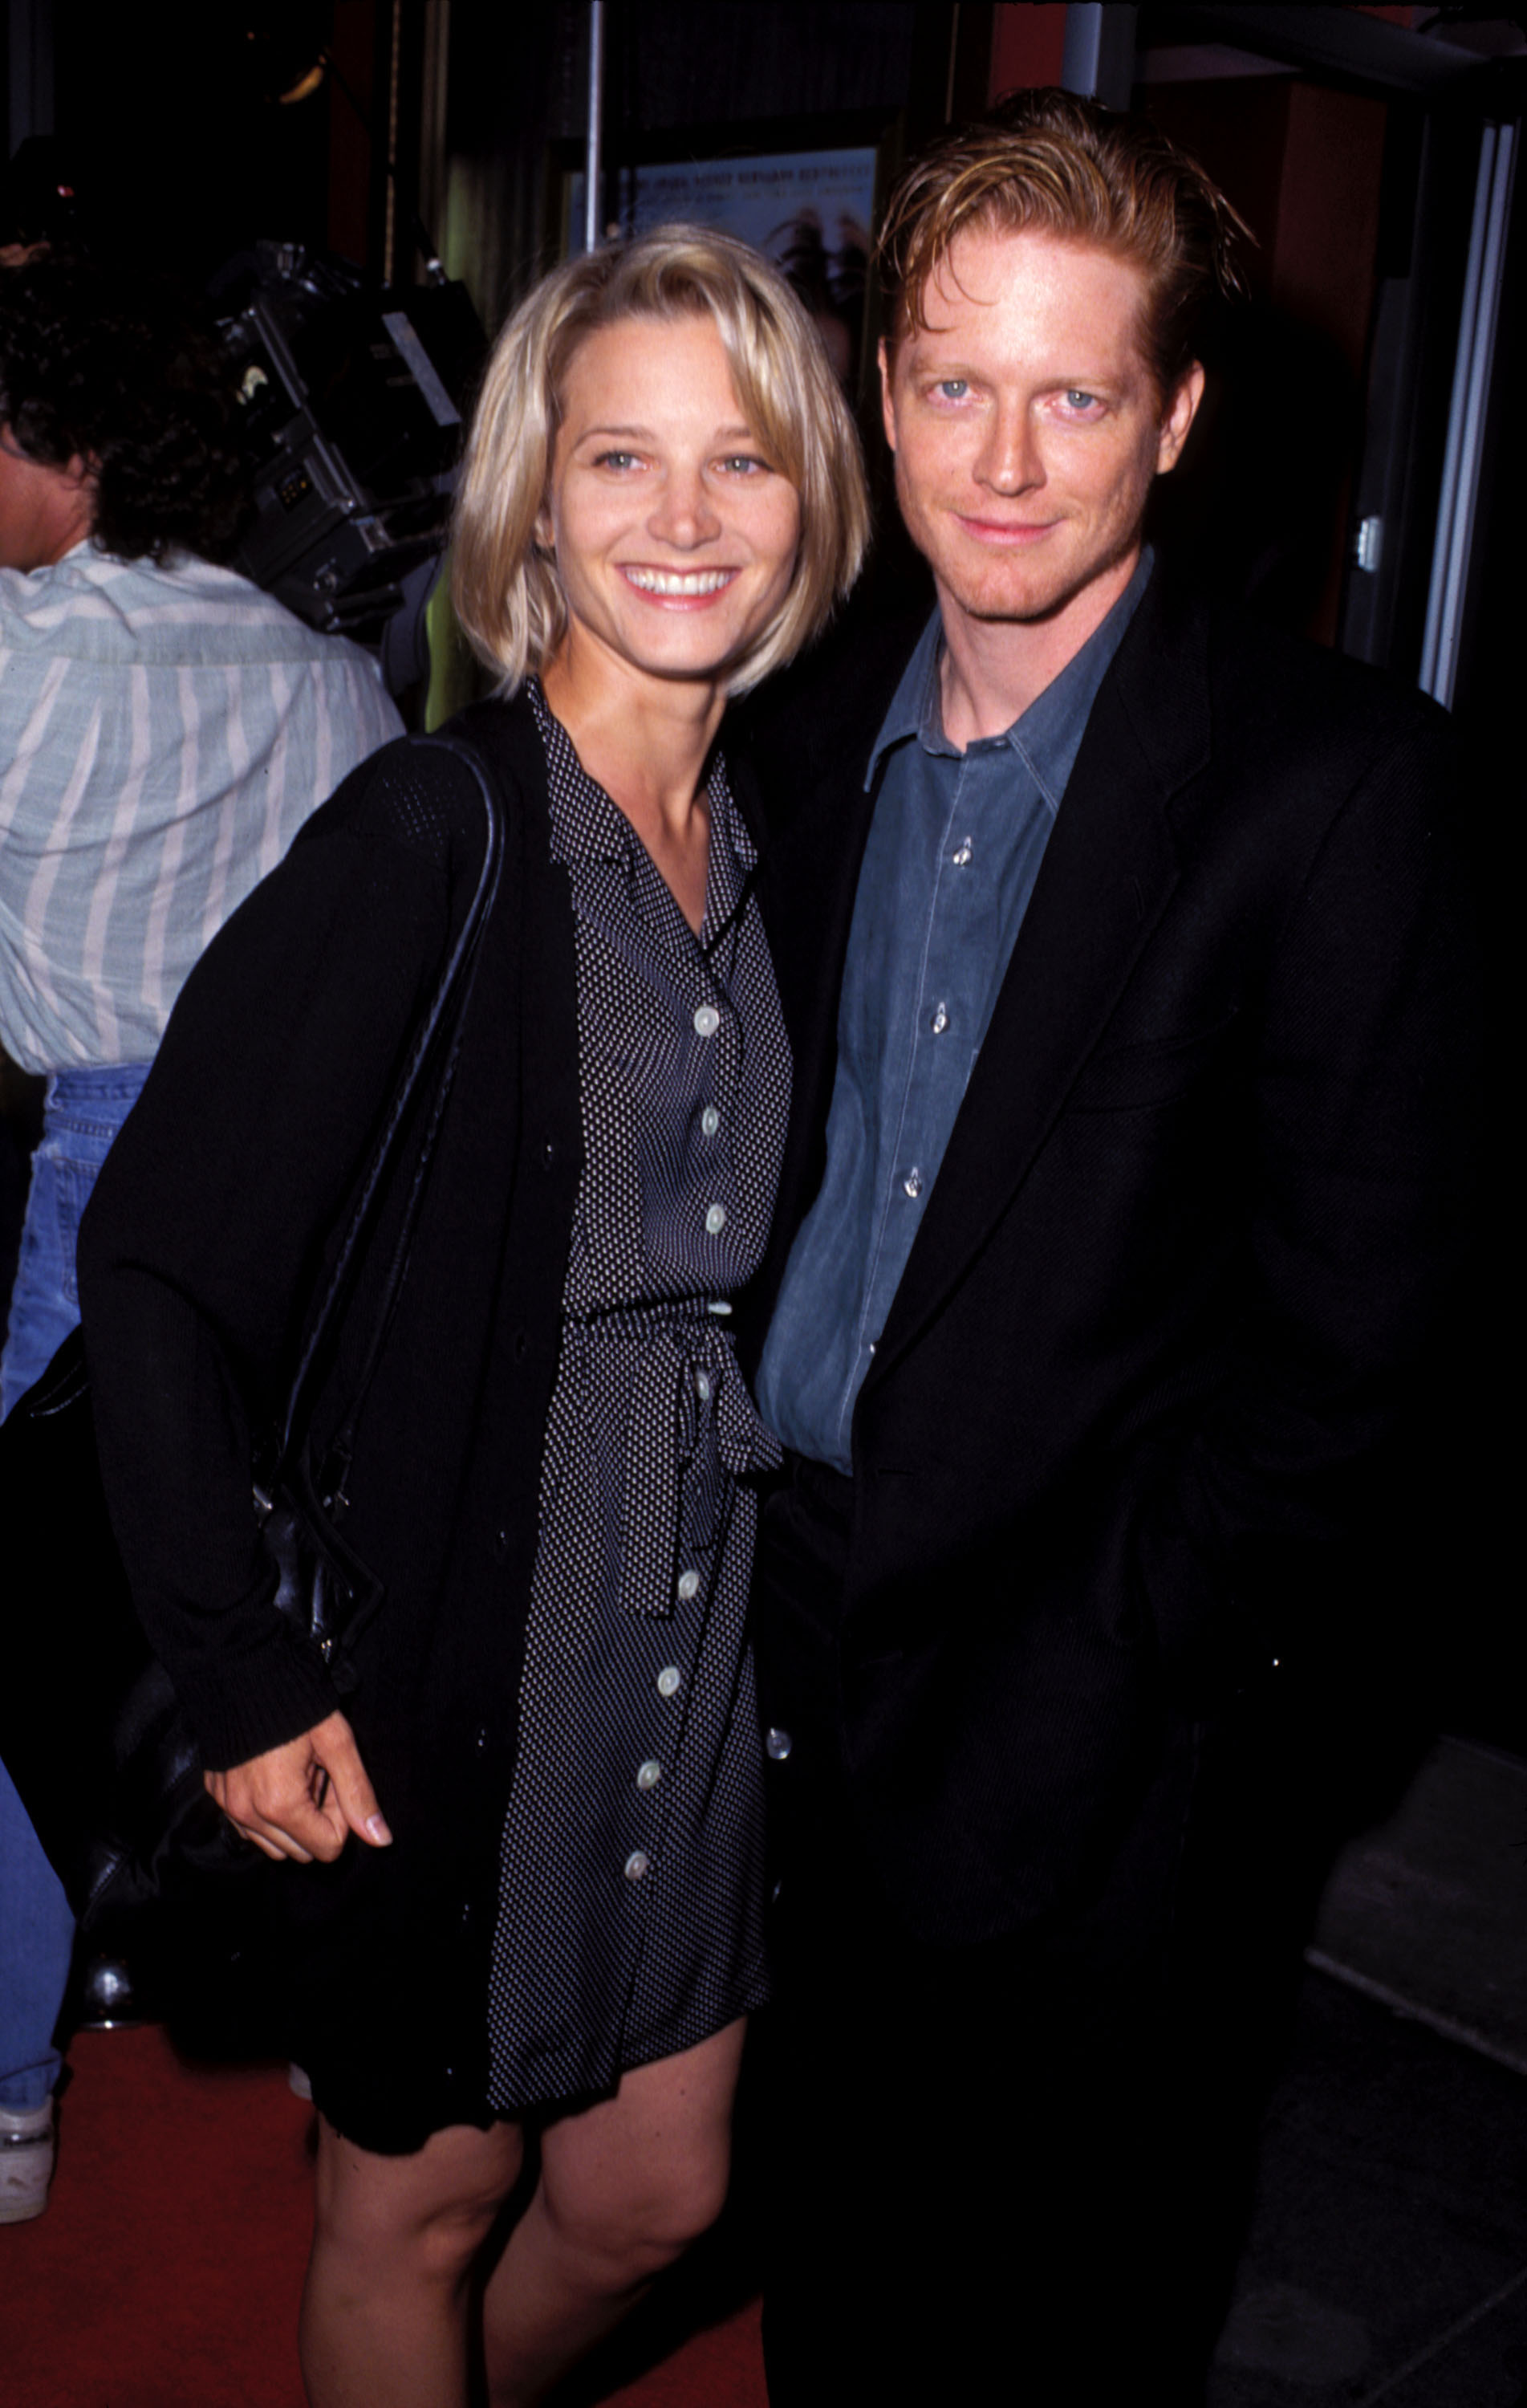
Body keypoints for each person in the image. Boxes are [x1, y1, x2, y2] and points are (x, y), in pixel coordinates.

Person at [75, 227, 867, 2405]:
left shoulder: (779, 833)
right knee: (413, 2200)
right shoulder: (431, 830)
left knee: (657, 2197)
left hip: (690, 1630)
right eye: (622, 458)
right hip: (457, 1622)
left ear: (816, 499)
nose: (684, 520)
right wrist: (243, 1674)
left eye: (742, 462)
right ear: (536, 493)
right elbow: (151, 1265)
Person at [737, 89, 1480, 2401]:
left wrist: (1158, 1660)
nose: (1007, 460)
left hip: (1109, 1722)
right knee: (834, 2271)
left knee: (1062, 2320)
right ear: (881, 395)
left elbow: (1363, 1362)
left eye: (1077, 395)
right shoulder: (798, 718)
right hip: (793, 1662)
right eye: (955, 384)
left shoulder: (1340, 785)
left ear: (1175, 415)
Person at [0, 253, 401, 2225]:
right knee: (279, 1609)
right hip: (316, 1178)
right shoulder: (325, 665)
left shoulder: (17, 661)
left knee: (22, 1629)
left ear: (60, 456)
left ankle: (4, 2088)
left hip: (103, 1170)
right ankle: (351, 2019)